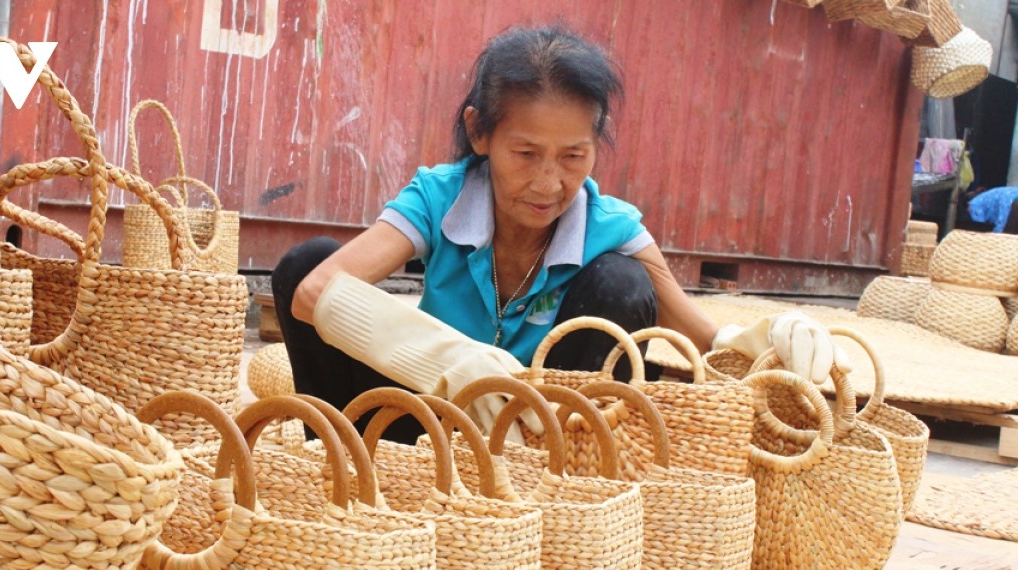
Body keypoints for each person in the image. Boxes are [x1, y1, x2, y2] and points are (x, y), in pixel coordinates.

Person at [272, 24, 846, 443]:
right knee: (306, 260)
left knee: (622, 285)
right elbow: (313, 289)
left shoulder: (611, 227)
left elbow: (705, 342)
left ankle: (563, 491)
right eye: (525, 153)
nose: (550, 183)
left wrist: (770, 341)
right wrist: (454, 363)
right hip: (413, 427)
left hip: (530, 444)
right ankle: (339, 463)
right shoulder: (440, 198)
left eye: (574, 155)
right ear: (479, 133)